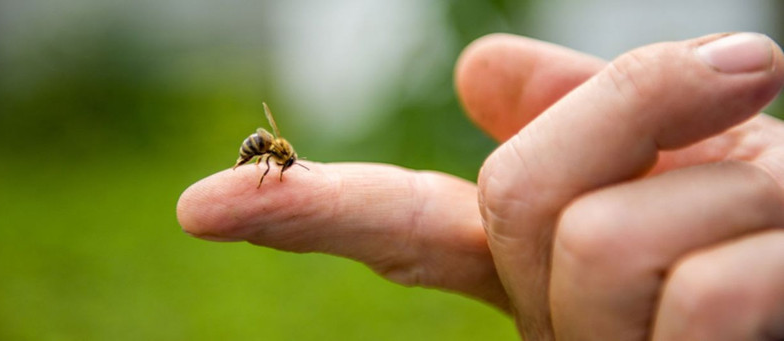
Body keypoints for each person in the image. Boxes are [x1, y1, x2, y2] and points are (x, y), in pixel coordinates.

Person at [177, 32, 784, 340]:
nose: (280, 163)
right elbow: (269, 152)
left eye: (277, 161)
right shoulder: (273, 153)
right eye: (279, 162)